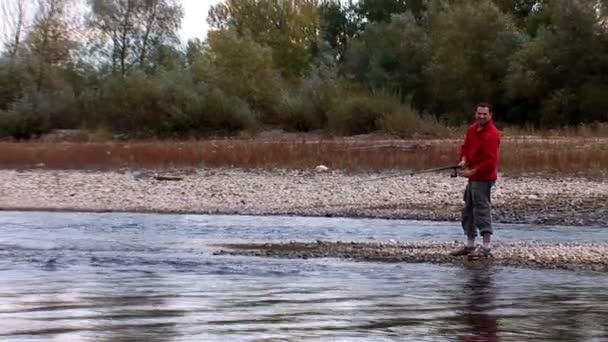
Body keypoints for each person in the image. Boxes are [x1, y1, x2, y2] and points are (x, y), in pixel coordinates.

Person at [450, 103, 500, 258]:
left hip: (484, 177)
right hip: (473, 177)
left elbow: (490, 161)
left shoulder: (492, 134)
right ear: (475, 114)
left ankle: (486, 247)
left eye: (485, 114)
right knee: (468, 209)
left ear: (490, 115)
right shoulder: (472, 129)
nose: (481, 116)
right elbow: (465, 147)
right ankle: (470, 244)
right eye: (479, 113)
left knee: (481, 209)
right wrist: (463, 160)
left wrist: (473, 171)